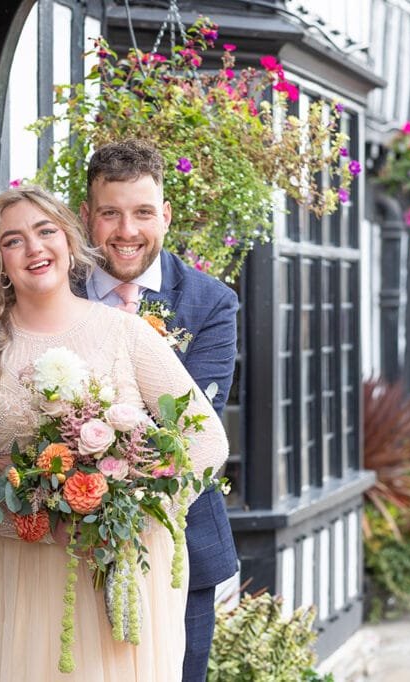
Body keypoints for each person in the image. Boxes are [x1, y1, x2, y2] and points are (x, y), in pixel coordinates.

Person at [0, 184, 229, 681]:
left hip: (119, 564)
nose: (35, 248)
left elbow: (206, 440)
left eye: (46, 231)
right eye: (13, 240)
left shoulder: (124, 332)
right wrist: (41, 526)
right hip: (18, 572)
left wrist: (140, 512)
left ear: (70, 240)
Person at [79, 140, 240, 682]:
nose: (128, 230)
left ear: (165, 216)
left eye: (143, 212)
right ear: (86, 216)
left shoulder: (209, 302)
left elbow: (191, 429)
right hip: (61, 551)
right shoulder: (53, 293)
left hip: (181, 551)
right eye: (111, 213)